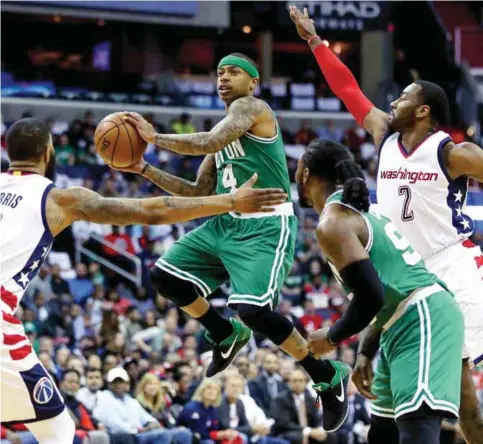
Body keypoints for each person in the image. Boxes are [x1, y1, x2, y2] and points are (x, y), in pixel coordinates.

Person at [0, 117, 286, 443]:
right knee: (58, 430)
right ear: (49, 152)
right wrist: (230, 201)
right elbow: (151, 211)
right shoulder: (59, 199)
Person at [121, 53, 350, 426]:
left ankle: (325, 375)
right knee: (164, 276)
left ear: (253, 82)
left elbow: (210, 140)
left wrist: (154, 137)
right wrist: (144, 168)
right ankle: (223, 331)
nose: (224, 78)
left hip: (265, 226)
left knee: (254, 311)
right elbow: (197, 193)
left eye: (233, 72)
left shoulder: (252, 108)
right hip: (226, 223)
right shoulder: (223, 134)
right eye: (219, 73)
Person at [289, 5, 483, 444]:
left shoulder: (453, 153)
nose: (393, 100)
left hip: (453, 265)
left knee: (467, 385)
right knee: (462, 399)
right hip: (408, 271)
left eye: (405, 97)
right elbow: (347, 88)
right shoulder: (385, 138)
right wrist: (315, 41)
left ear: (424, 111)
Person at [295, 138, 465, 443]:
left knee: (417, 432)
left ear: (306, 174)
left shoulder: (334, 222)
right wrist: (365, 352)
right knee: (383, 433)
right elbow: (382, 292)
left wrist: (331, 337)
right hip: (396, 324)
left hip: (421, 317)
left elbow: (372, 296)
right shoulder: (353, 214)